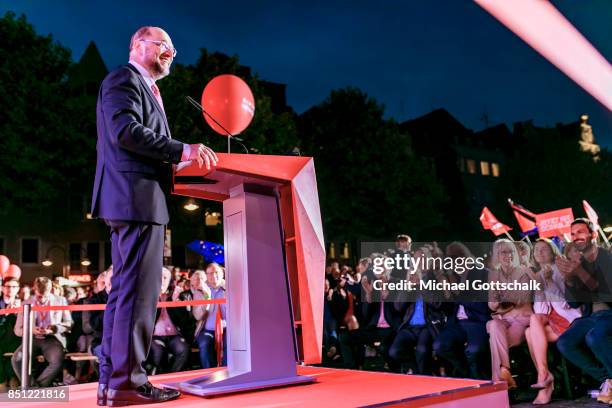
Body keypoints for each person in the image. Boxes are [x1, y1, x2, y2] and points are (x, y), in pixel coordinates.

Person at [90, 26, 218, 406]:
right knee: (138, 296)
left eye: (173, 49)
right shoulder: (123, 79)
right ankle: (129, 383)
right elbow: (126, 132)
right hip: (135, 200)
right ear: (138, 44)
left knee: (126, 294)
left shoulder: (144, 88)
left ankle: (113, 383)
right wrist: (184, 150)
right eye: (164, 45)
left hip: (136, 200)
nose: (171, 53)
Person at [556, 218, 612, 404]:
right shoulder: (579, 263)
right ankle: (607, 378)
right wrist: (569, 279)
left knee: (594, 337)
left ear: (593, 234)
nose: (575, 237)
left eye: (580, 232)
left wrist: (578, 272)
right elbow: (573, 304)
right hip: (591, 316)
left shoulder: (605, 257)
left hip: (609, 314)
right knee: (565, 342)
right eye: (572, 234)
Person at [526, 239, 581, 404]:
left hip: (569, 318)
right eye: (536, 250)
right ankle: (544, 376)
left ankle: (545, 380)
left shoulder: (561, 269)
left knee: (530, 332)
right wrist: (540, 289)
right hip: (551, 320)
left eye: (544, 249)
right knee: (531, 327)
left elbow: (565, 304)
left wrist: (549, 283)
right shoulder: (539, 274)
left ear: (553, 251)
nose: (540, 252)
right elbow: (541, 311)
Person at [486, 239, 534, 388]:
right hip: (502, 320)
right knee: (494, 325)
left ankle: (500, 380)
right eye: (503, 252)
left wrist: (502, 298)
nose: (508, 255)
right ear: (497, 256)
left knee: (494, 338)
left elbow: (520, 299)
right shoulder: (494, 274)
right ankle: (504, 372)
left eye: (511, 251)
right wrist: (499, 301)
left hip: (521, 319)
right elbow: (492, 305)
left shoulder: (525, 271)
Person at [12, 277, 73, 387]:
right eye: (39, 296)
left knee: (57, 361)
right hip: (32, 338)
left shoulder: (60, 300)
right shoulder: (26, 303)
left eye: (45, 296)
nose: (42, 299)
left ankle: (35, 387)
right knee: (16, 360)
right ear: (34, 289)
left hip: (52, 338)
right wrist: (31, 329)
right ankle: (35, 386)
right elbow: (17, 330)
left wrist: (55, 328)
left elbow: (69, 323)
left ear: (51, 290)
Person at [196, 263, 227, 368]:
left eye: (216, 272)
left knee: (231, 343)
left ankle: (226, 372)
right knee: (204, 343)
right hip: (207, 330)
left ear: (222, 273)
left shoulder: (230, 287)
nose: (213, 276)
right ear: (206, 275)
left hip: (228, 329)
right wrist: (207, 298)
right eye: (209, 273)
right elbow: (197, 316)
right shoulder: (200, 291)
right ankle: (209, 375)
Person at [0, 278, 21, 391]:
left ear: (18, 289)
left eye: (14, 287)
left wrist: (19, 316)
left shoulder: (22, 304)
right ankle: (2, 381)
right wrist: (5, 315)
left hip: (15, 338)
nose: (10, 289)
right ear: (2, 288)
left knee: (18, 353)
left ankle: (13, 377)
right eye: (8, 286)